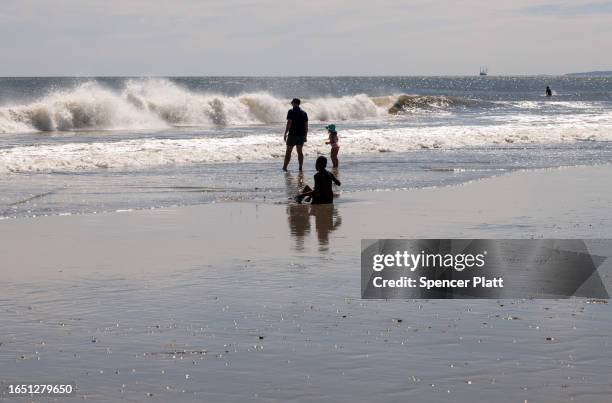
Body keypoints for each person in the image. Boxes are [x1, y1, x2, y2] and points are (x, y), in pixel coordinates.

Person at [283, 98, 308, 171]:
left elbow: (289, 123)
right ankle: (300, 167)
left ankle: (285, 167)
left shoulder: (291, 111)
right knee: (299, 151)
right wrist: (305, 135)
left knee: (288, 152)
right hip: (301, 135)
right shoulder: (304, 113)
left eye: (292, 102)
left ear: (294, 103)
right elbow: (306, 125)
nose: (291, 103)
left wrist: (285, 133)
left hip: (292, 135)